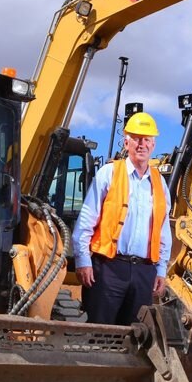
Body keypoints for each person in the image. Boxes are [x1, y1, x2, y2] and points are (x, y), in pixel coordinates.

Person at [72, 112, 171, 325]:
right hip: (108, 268)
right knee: (98, 332)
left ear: (153, 145)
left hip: (144, 271)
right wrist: (83, 260)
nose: (141, 144)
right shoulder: (109, 173)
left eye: (146, 140)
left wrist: (161, 269)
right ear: (126, 142)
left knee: (134, 337)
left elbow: (163, 231)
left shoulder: (160, 184)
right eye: (136, 138)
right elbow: (86, 220)